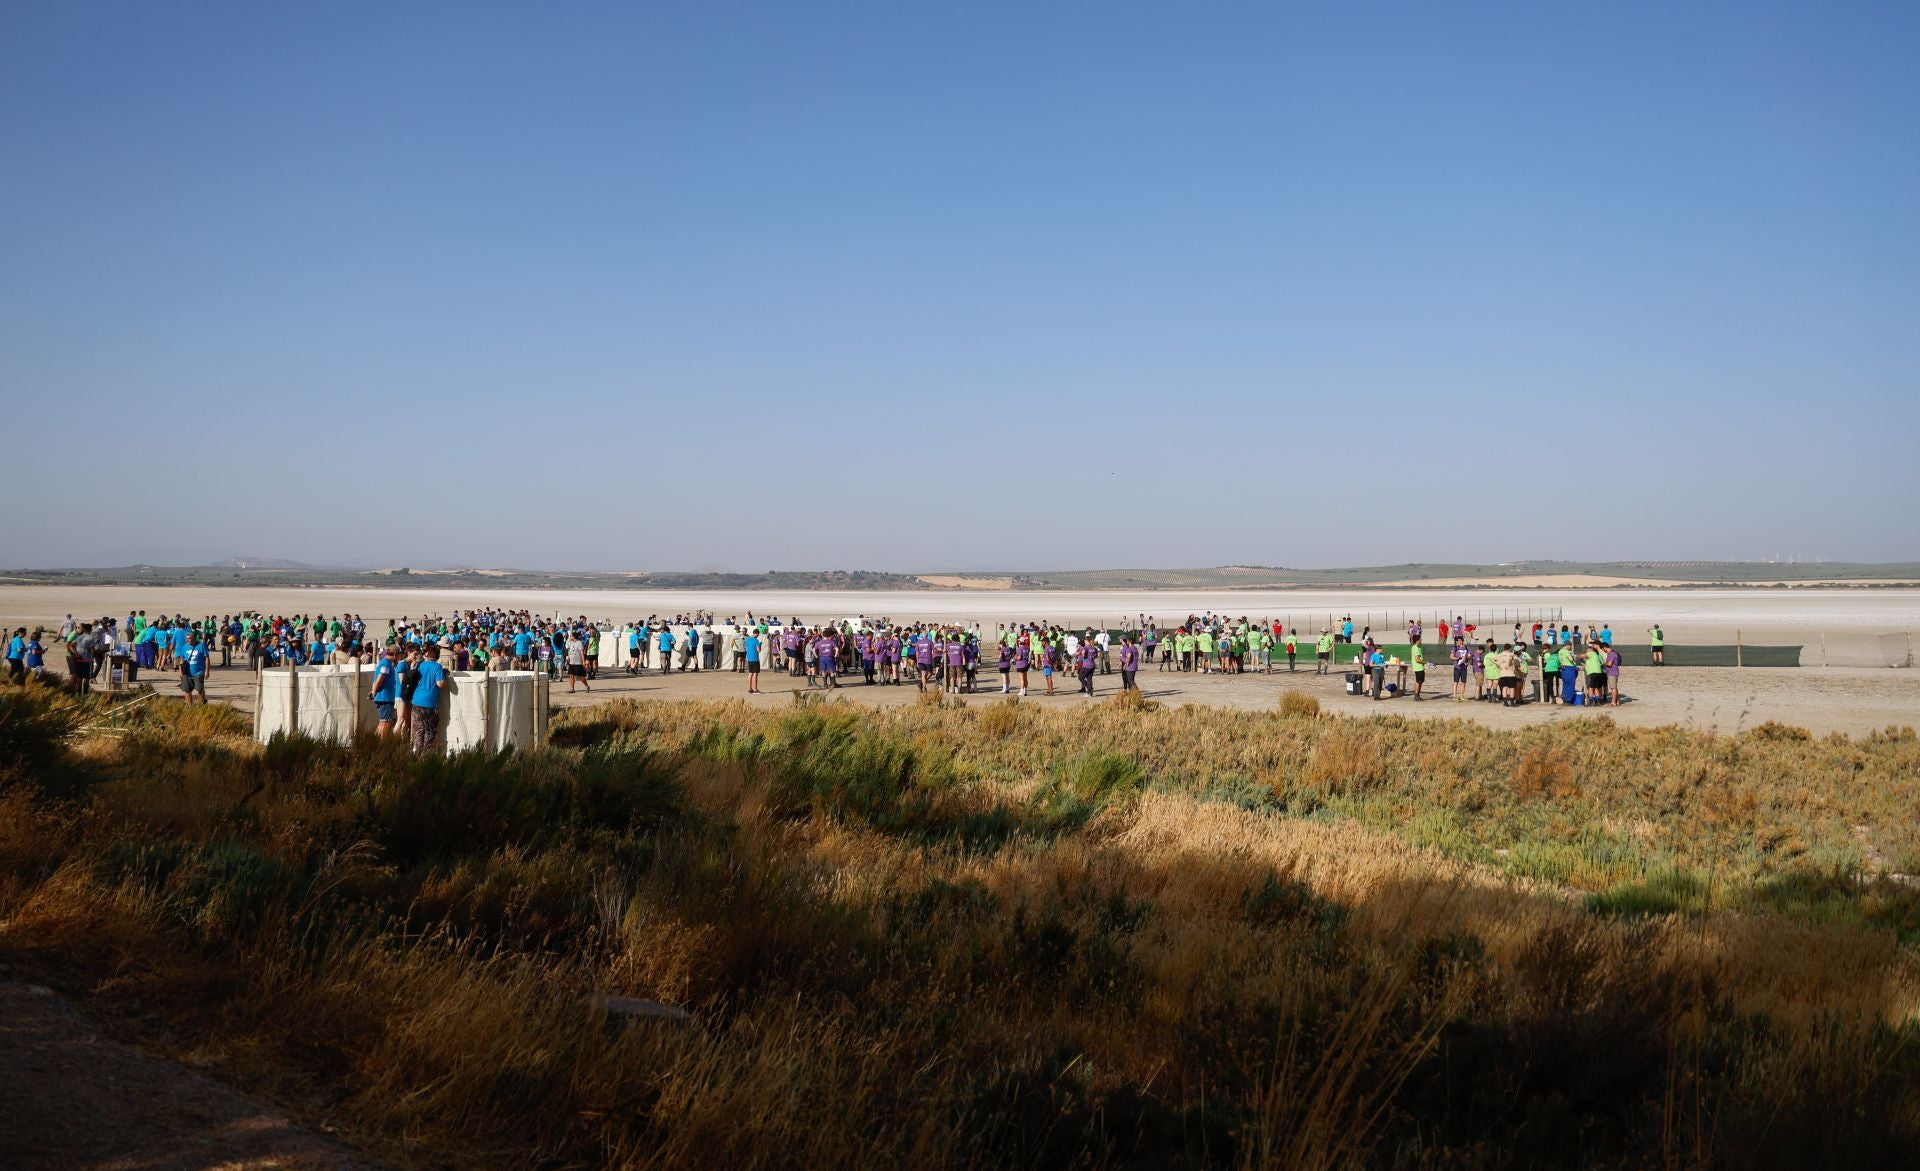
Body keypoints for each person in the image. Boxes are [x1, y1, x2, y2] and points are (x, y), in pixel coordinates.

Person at [409, 645, 448, 753]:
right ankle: (426, 756)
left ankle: (417, 753)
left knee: (419, 729)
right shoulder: (437, 667)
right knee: (430, 731)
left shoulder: (421, 665)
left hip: (416, 700)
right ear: (438, 656)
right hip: (429, 703)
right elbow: (440, 684)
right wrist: (445, 675)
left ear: (427, 654)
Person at [369, 646, 404, 736]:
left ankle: (375, 741)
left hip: (384, 697)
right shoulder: (386, 664)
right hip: (385, 698)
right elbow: (379, 680)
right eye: (399, 655)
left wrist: (373, 691)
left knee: (383, 722)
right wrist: (374, 692)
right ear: (395, 654)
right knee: (385, 723)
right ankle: (382, 742)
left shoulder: (385, 663)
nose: (399, 657)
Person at [178, 630, 210, 704]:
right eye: (187, 638)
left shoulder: (201, 646)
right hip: (187, 673)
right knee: (187, 690)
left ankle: (202, 702)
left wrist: (207, 671)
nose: (188, 640)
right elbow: (181, 659)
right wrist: (181, 671)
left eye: (190, 638)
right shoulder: (184, 646)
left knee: (199, 689)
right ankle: (190, 706)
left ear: (195, 638)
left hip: (199, 672)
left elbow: (207, 658)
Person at [743, 628, 762, 693]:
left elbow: (747, 648)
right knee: (755, 674)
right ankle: (755, 689)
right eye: (758, 635)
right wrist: (760, 645)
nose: (758, 636)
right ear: (756, 634)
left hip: (749, 659)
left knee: (750, 674)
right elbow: (759, 650)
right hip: (755, 659)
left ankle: (749, 688)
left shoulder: (748, 640)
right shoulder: (756, 640)